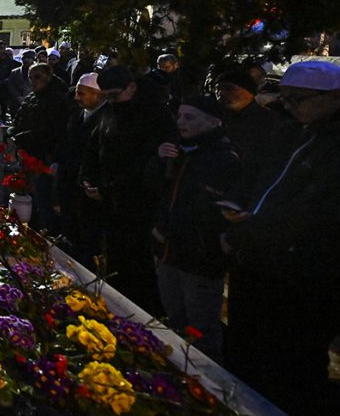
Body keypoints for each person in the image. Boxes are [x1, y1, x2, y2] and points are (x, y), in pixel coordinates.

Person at [221, 61, 340, 414]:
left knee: (291, 365)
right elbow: (262, 179)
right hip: (257, 262)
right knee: (247, 352)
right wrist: (240, 212)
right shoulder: (291, 131)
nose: (288, 107)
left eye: (297, 100)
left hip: (303, 277)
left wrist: (250, 231)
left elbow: (313, 213)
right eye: (284, 99)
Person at [148, 95, 241, 362]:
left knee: (201, 327)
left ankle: (206, 382)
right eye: (179, 116)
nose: (181, 122)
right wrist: (158, 161)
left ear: (213, 122)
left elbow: (210, 210)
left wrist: (167, 228)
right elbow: (154, 189)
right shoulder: (176, 149)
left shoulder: (224, 159)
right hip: (168, 250)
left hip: (199, 257)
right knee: (175, 317)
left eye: (190, 117)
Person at [80, 65, 177, 314]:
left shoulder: (154, 115)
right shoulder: (112, 111)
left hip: (137, 206)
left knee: (136, 267)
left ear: (132, 87)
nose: (110, 101)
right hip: (108, 201)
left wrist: (108, 189)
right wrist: (88, 179)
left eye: (114, 95)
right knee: (114, 260)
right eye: (107, 96)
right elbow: (95, 146)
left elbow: (146, 165)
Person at [8, 63, 72, 233]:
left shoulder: (57, 99)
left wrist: (20, 137)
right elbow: (19, 118)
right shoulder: (32, 97)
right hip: (27, 154)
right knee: (28, 197)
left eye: (37, 77)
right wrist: (12, 133)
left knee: (42, 200)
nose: (33, 81)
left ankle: (46, 232)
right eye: (30, 77)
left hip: (44, 157)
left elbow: (48, 130)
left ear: (48, 76)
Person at [54, 72, 108, 266]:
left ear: (98, 95)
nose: (77, 98)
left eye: (82, 94)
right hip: (69, 184)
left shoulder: (106, 119)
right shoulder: (77, 115)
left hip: (87, 191)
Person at [215, 68, 286, 188]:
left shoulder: (270, 120)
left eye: (229, 89)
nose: (221, 94)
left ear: (249, 92)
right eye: (218, 89)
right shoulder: (214, 117)